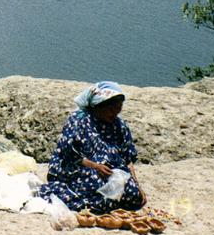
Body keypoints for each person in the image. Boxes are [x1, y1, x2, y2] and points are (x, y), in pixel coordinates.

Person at [38, 81, 146, 213]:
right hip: (78, 169)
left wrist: (137, 186)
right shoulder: (78, 120)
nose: (115, 113)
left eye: (118, 108)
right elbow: (69, 155)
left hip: (109, 171)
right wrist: (95, 166)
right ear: (97, 106)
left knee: (133, 196)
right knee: (96, 189)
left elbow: (127, 158)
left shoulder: (119, 125)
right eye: (111, 109)